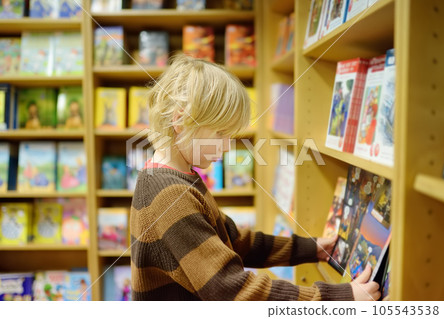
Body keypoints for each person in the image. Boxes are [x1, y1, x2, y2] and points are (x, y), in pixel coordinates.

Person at [130, 54, 380, 301]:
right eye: (221, 134)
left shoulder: (177, 178)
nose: (227, 147)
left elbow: (235, 241)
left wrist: (312, 248)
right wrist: (341, 297)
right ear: (180, 120)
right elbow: (230, 288)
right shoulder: (170, 195)